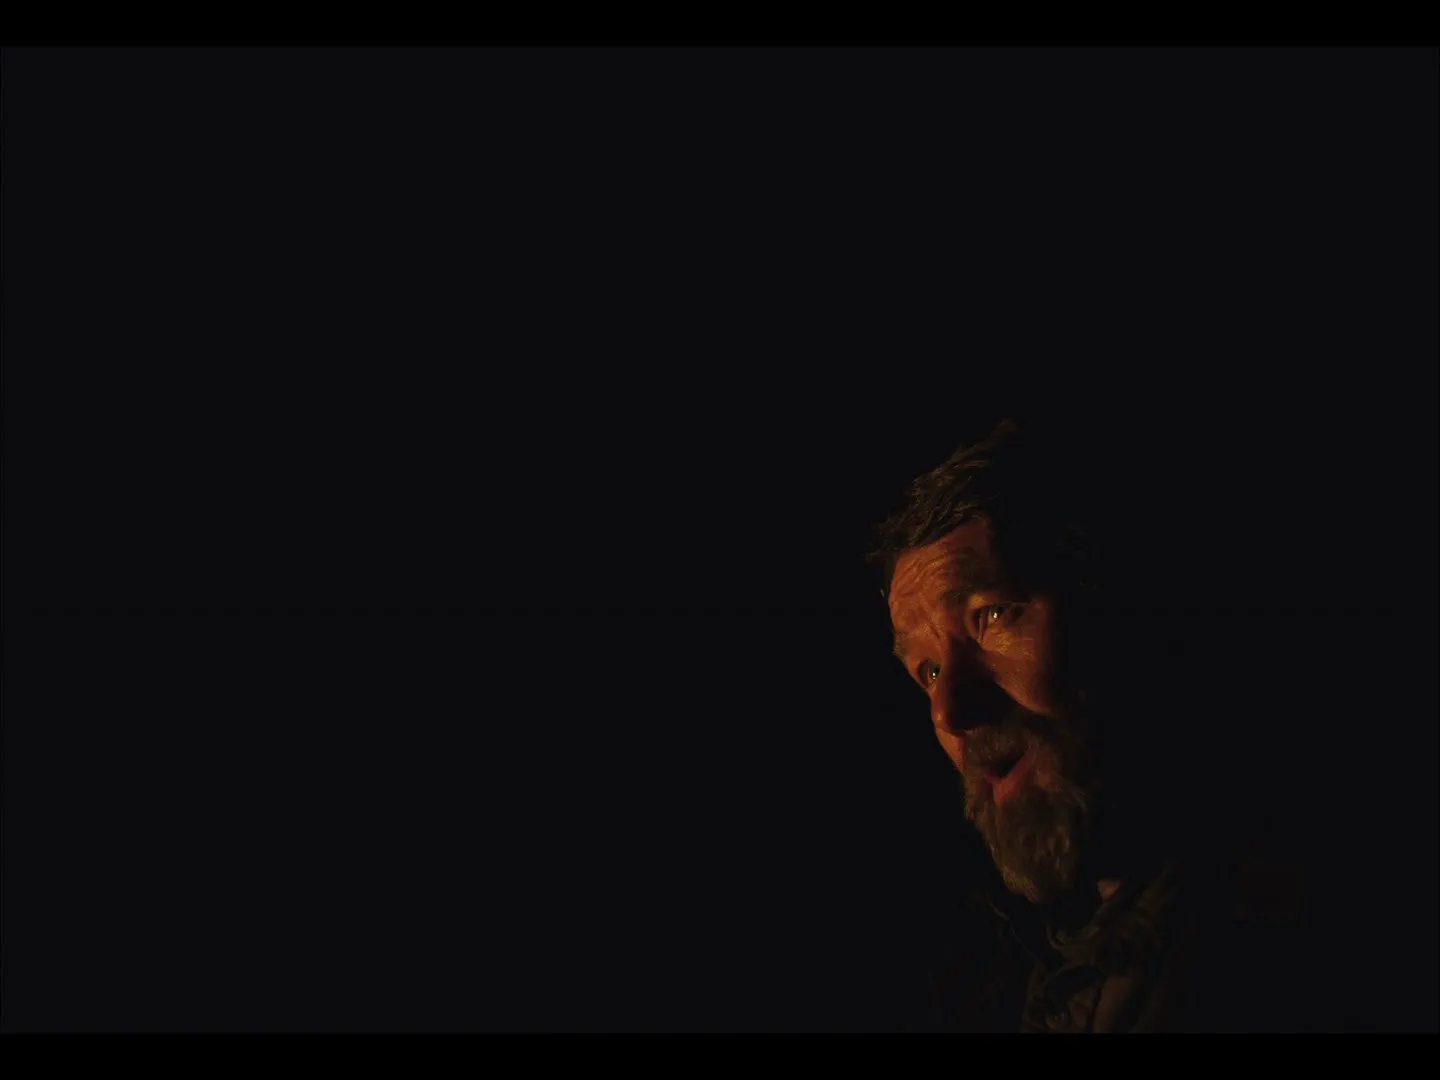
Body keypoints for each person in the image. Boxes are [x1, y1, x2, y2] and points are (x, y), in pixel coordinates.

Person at [868, 417, 1315, 1033]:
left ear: (1119, 604)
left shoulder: (1279, 941)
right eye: (928, 670)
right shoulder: (1016, 976)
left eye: (991, 615)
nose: (949, 711)